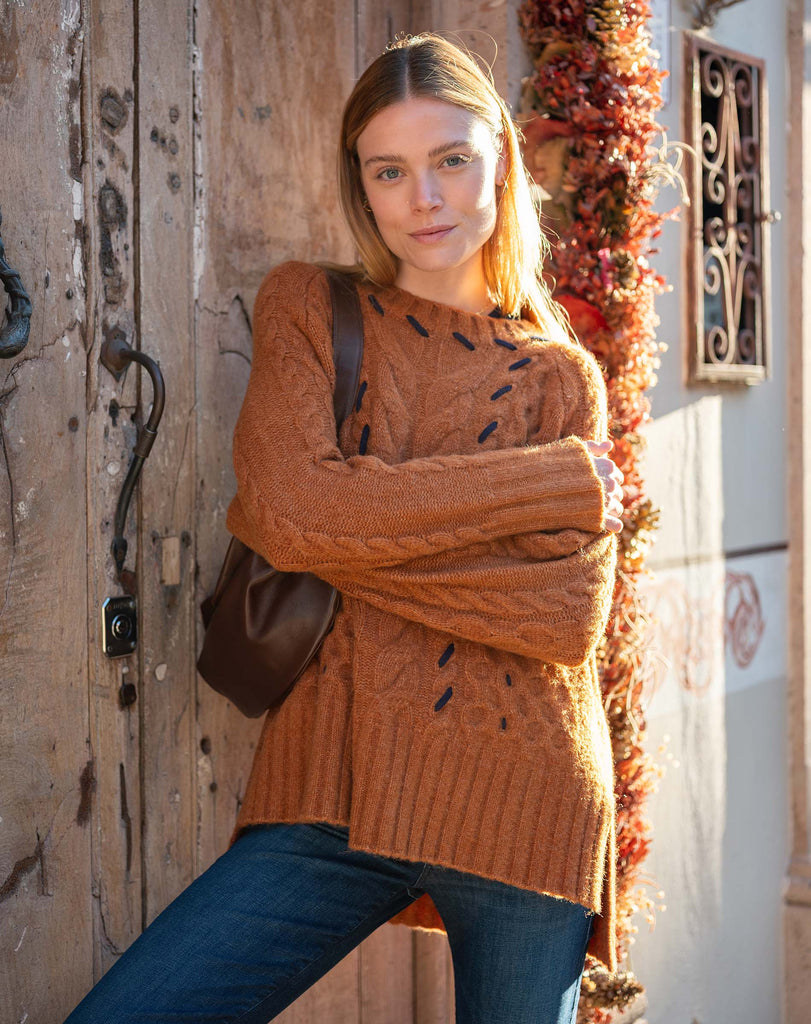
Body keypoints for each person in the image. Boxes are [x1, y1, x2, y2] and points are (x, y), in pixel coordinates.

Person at [64, 32, 623, 1024]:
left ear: (500, 157)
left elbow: (562, 616)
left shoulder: (559, 377)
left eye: (451, 160)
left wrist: (344, 523)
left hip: (526, 801)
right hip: (332, 798)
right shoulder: (310, 307)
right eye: (389, 171)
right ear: (360, 186)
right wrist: (544, 486)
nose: (425, 199)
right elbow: (289, 513)